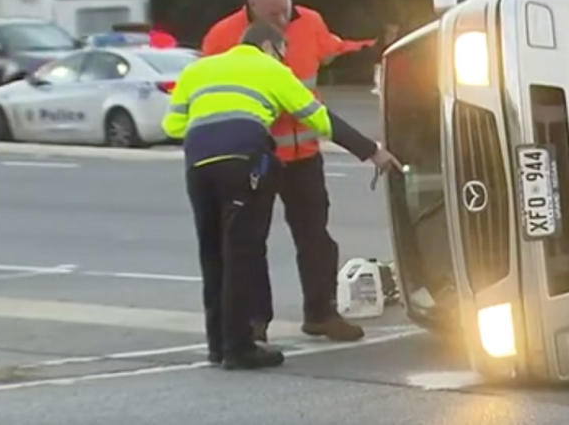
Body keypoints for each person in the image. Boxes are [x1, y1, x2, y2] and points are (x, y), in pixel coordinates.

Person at [163, 21, 400, 370]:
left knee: (212, 253)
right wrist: (371, 151)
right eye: (283, 53)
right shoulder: (270, 68)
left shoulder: (198, 69)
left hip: (198, 165)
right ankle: (240, 347)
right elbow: (319, 119)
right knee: (241, 251)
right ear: (271, 47)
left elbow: (172, 126)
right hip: (242, 161)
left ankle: (217, 344)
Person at [201, 0, 378, 342]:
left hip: (305, 154)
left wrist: (374, 45)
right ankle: (254, 323)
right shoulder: (222, 37)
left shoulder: (310, 22)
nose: (282, 21)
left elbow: (333, 49)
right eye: (271, 15)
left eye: (286, 11)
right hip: (257, 156)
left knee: (315, 238)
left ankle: (321, 313)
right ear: (251, 7)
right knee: (251, 242)